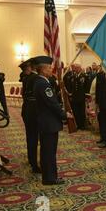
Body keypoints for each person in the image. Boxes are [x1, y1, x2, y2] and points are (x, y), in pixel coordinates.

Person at [33, 56, 68, 185]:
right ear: (42, 70)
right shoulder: (42, 83)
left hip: (46, 122)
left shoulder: (40, 82)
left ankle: (49, 176)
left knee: (47, 150)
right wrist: (64, 115)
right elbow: (52, 103)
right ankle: (49, 178)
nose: (51, 69)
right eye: (48, 68)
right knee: (49, 151)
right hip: (48, 123)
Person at [19, 59, 41, 173]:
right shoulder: (35, 78)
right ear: (30, 68)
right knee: (34, 137)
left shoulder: (25, 78)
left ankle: (31, 159)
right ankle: (35, 164)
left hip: (27, 110)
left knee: (30, 137)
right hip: (34, 112)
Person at [68, 64, 88, 130]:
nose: (75, 69)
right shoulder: (73, 76)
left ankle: (82, 125)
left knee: (82, 112)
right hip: (75, 97)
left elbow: (86, 87)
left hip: (81, 97)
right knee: (76, 112)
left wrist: (86, 96)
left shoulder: (84, 76)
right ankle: (78, 125)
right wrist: (71, 95)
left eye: (77, 68)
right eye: (75, 68)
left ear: (80, 68)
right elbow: (71, 87)